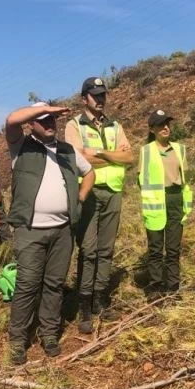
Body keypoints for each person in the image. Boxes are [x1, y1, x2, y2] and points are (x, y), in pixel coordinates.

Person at [5, 102, 94, 363]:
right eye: (43, 120)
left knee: (54, 285)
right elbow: (11, 120)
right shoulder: (20, 146)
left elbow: (89, 173)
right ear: (31, 123)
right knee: (27, 285)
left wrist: (79, 197)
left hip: (62, 230)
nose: (48, 124)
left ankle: (50, 334)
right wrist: (45, 108)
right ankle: (18, 340)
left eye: (51, 120)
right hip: (30, 230)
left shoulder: (67, 151)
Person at [64, 77, 133, 332]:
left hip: (113, 191)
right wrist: (112, 156)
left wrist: (100, 154)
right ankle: (84, 303)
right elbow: (77, 157)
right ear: (84, 99)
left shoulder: (115, 125)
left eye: (103, 95)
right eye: (95, 95)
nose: (100, 99)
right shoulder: (74, 126)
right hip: (89, 192)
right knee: (89, 250)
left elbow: (128, 157)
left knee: (106, 249)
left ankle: (100, 299)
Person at [138, 110, 193, 299]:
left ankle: (173, 286)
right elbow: (141, 180)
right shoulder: (146, 151)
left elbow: (184, 177)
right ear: (152, 129)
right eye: (161, 125)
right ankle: (154, 287)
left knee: (173, 248)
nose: (166, 127)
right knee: (155, 248)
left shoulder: (179, 149)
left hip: (175, 200)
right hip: (155, 204)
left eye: (167, 124)